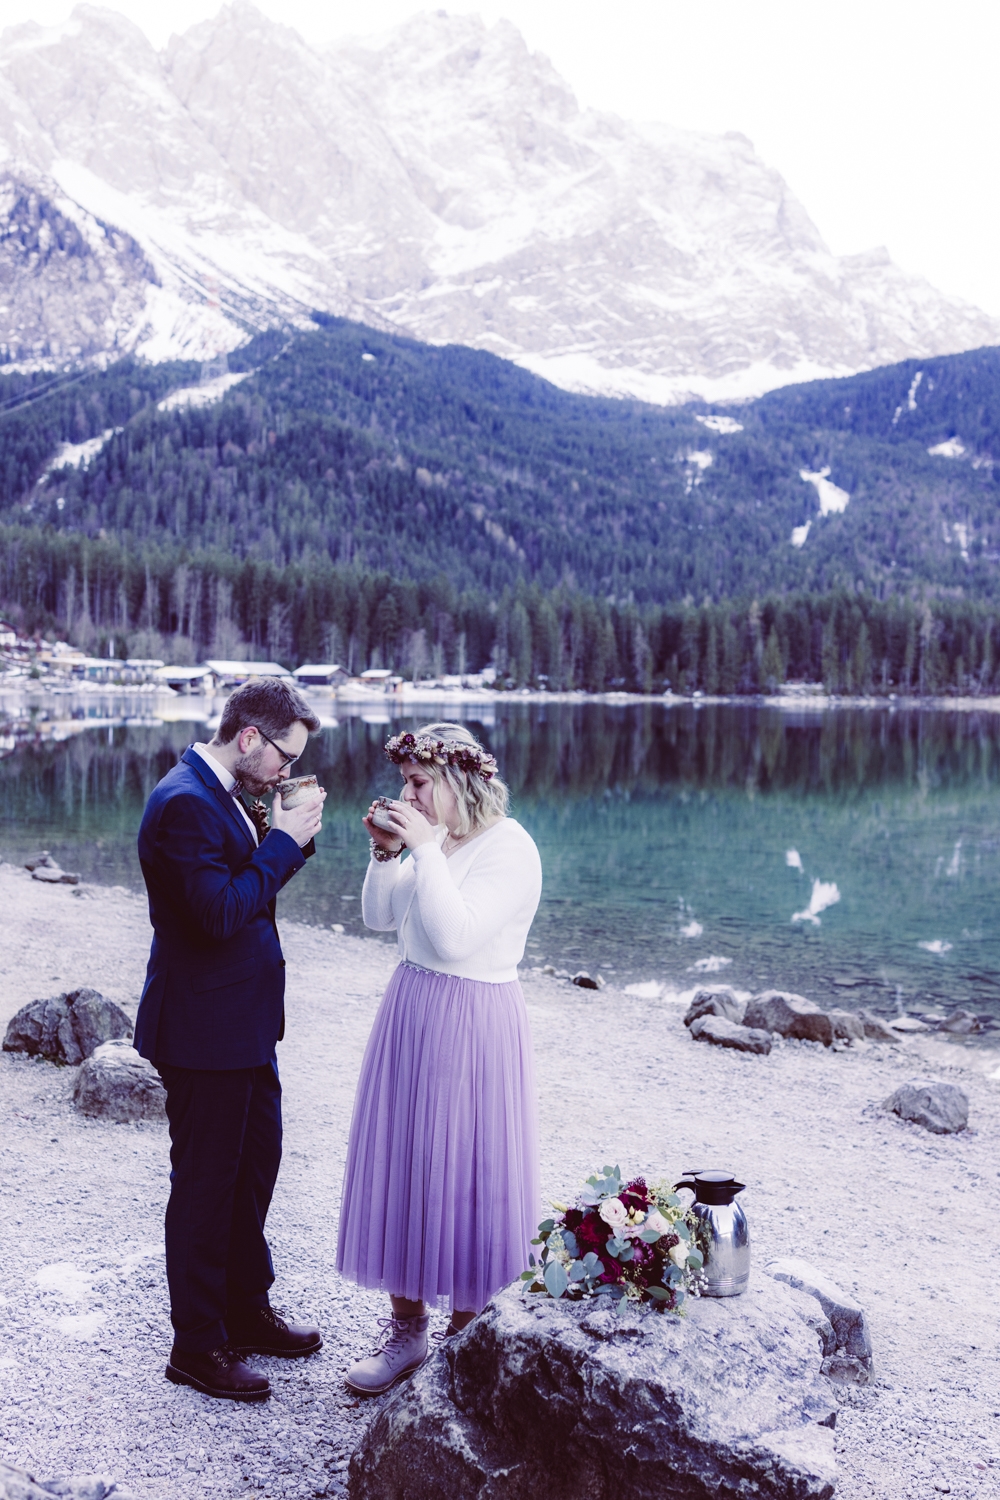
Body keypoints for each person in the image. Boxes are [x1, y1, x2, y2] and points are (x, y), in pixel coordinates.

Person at [135, 677, 327, 1403]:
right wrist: (280, 842)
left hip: (245, 1025)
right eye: (284, 755)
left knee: (253, 1172)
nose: (285, 769)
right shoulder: (183, 802)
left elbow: (248, 886)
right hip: (202, 1030)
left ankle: (247, 1310)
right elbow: (218, 915)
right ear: (249, 736)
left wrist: (288, 838)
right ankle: (197, 1346)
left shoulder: (224, 792)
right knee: (207, 1188)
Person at [337, 722, 542, 1395]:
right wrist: (386, 853)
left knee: (465, 1170)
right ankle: (406, 1331)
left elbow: (456, 939)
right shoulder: (438, 844)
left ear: (457, 782)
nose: (408, 794)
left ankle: (463, 1333)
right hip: (414, 1008)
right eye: (405, 782)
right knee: (407, 1161)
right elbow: (376, 917)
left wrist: (422, 851)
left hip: (475, 1019)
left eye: (419, 783)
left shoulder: (510, 848)